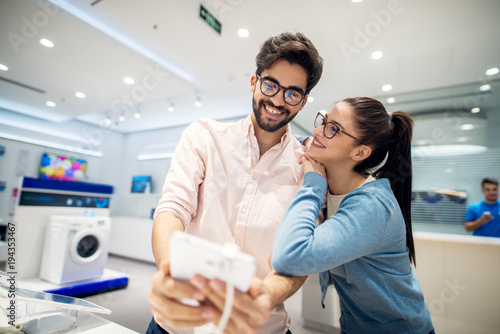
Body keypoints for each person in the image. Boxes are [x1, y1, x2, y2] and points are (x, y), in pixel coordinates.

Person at [147, 31, 323, 334]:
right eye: (271, 85)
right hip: (180, 323)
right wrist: (170, 274)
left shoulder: (310, 169)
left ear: (303, 103)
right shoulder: (204, 137)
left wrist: (263, 298)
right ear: (254, 82)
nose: (278, 101)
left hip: (260, 326)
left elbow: (301, 255)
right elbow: (172, 209)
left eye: (292, 93)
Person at [271, 97, 434, 334]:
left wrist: (313, 185)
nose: (318, 130)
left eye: (333, 129)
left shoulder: (373, 207)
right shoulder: (338, 188)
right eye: (324, 120)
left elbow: (290, 257)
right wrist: (311, 141)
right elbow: (285, 140)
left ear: (360, 152)